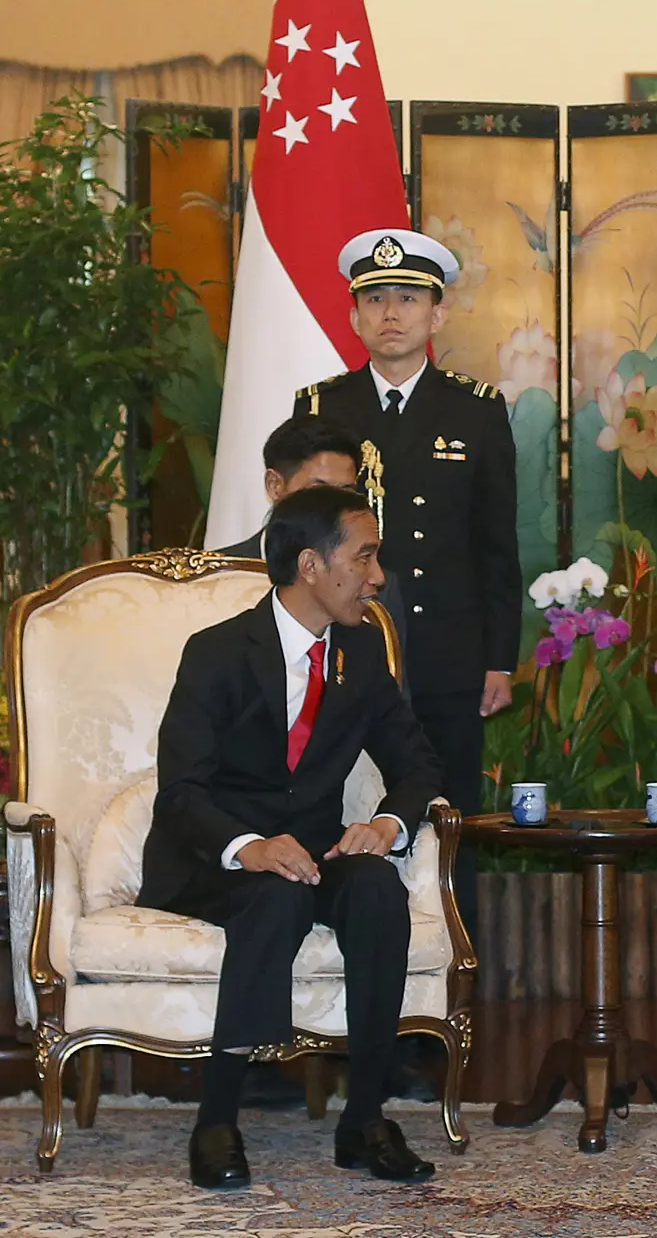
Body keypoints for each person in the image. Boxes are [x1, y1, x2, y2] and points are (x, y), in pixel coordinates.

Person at [140, 485, 444, 1190]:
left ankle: (364, 1118)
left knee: (376, 891)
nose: (377, 576)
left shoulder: (362, 655)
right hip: (215, 859)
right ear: (311, 563)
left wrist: (387, 823)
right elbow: (181, 790)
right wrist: (249, 845)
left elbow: (416, 762)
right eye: (363, 556)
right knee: (273, 898)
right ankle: (217, 1120)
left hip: (315, 851)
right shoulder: (216, 653)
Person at [293, 228, 522, 937]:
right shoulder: (320, 408)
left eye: (409, 299)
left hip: (449, 654)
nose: (392, 313)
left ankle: (453, 964)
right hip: (345, 646)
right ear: (356, 317)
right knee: (336, 801)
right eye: (375, 300)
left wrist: (499, 658)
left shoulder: (476, 410)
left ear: (437, 315)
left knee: (449, 812)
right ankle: (335, 951)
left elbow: (496, 545)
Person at [220, 413, 412, 680]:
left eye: (345, 493)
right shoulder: (215, 577)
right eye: (317, 491)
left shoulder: (378, 588)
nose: (332, 509)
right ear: (275, 485)